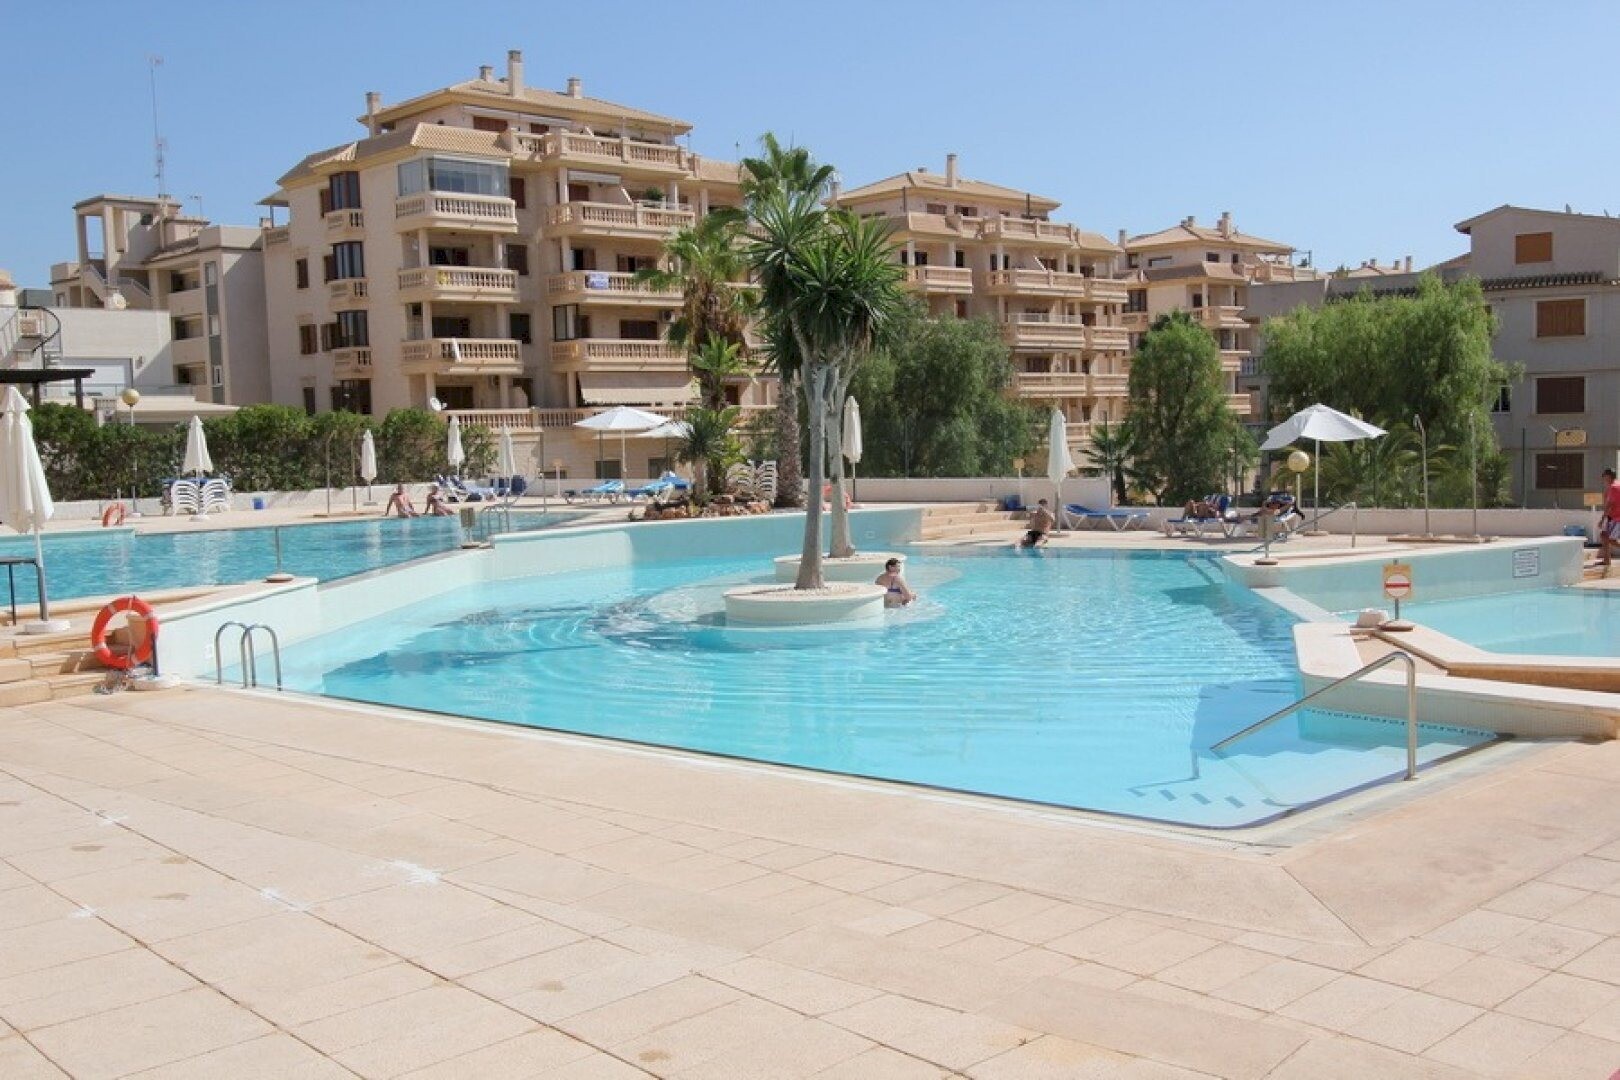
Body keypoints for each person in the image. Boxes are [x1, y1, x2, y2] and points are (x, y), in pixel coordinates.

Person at [1600, 468, 1620, 573]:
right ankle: (1606, 560)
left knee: (1612, 540)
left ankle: (1607, 560)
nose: (1603, 478)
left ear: (1609, 476)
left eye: (1605, 476)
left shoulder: (1613, 487)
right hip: (1612, 518)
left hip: (1617, 518)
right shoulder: (1616, 485)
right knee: (1604, 536)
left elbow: (1609, 505)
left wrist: (1602, 519)